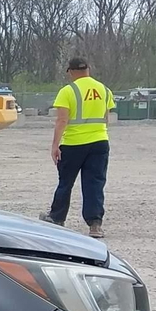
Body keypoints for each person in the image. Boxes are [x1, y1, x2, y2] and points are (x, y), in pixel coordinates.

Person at [40, 56, 110, 237]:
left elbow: (62, 120)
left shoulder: (67, 91)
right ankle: (95, 224)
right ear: (88, 69)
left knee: (65, 182)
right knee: (94, 183)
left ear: (70, 71)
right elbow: (106, 118)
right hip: (99, 142)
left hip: (73, 144)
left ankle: (57, 218)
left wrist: (55, 145)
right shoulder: (104, 90)